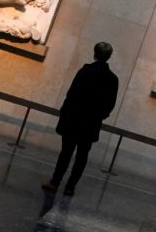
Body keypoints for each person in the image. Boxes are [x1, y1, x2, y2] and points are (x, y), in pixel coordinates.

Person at [42, 42, 118, 195]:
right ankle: (70, 187)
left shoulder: (85, 71)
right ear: (109, 57)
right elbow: (110, 104)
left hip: (74, 119)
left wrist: (67, 113)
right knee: (82, 156)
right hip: (91, 123)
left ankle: (55, 182)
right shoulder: (112, 79)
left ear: (95, 54)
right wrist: (98, 116)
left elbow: (71, 94)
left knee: (66, 153)